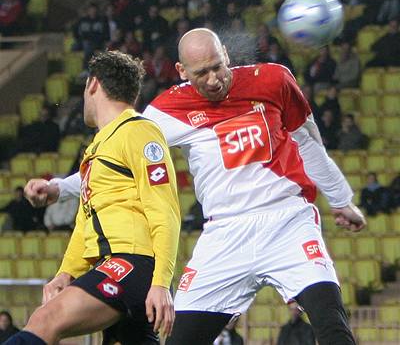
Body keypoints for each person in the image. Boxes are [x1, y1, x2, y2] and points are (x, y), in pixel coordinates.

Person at [25, 29, 366, 345]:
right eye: (202, 73)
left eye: (218, 67)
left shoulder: (274, 80)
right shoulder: (167, 111)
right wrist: (59, 188)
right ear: (182, 71)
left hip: (287, 221)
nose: (215, 79)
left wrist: (340, 199)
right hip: (223, 236)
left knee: (331, 323)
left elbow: (307, 141)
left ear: (227, 56)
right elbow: (118, 159)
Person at [12, 51, 181, 345]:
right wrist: (66, 272)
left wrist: (161, 283)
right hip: (116, 264)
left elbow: (165, 212)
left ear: (92, 84)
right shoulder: (100, 147)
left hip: (132, 264)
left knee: (46, 319)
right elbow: (86, 221)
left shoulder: (139, 131)